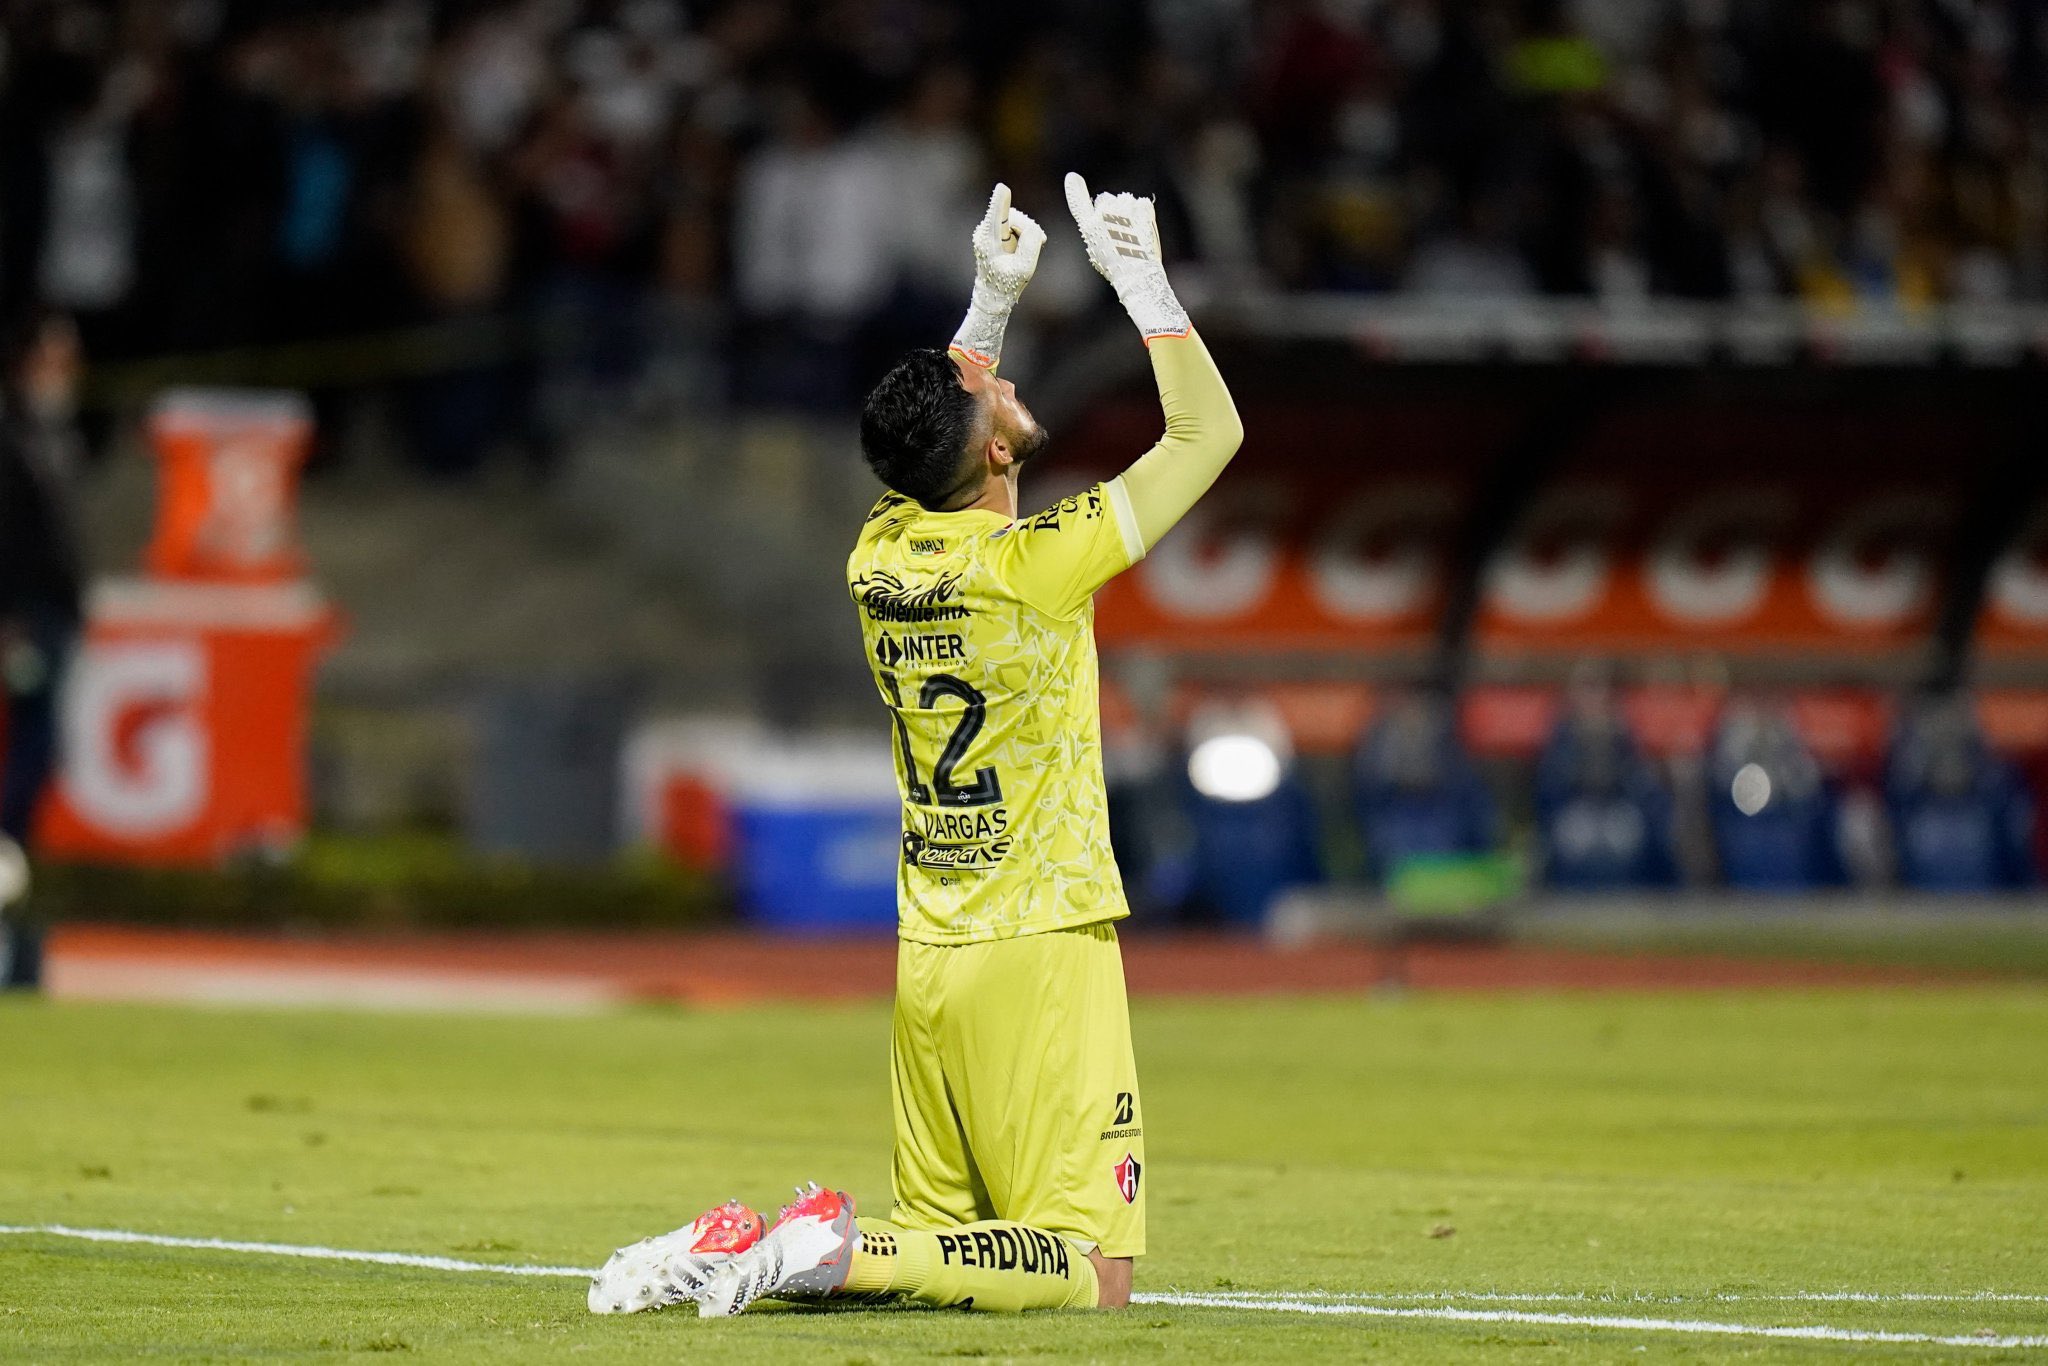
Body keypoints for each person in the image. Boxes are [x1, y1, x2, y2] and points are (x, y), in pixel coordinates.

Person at [590, 176, 1242, 1316]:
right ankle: (828, 1244)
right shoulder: (1034, 569)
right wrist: (1143, 286)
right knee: (1092, 1272)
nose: (999, 386)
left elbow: (926, 432)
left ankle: (746, 1245)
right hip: (1038, 941)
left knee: (948, 1253)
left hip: (930, 949)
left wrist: (988, 302)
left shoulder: (878, 556)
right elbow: (1208, 432)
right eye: (991, 399)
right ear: (992, 460)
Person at [0, 309, 88, 991]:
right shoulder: (13, 439)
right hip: (27, 624)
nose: (67, 372)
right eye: (55, 358)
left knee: (38, 773)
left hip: (53, 623)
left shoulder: (54, 438)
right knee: (25, 773)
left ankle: (23, 952)